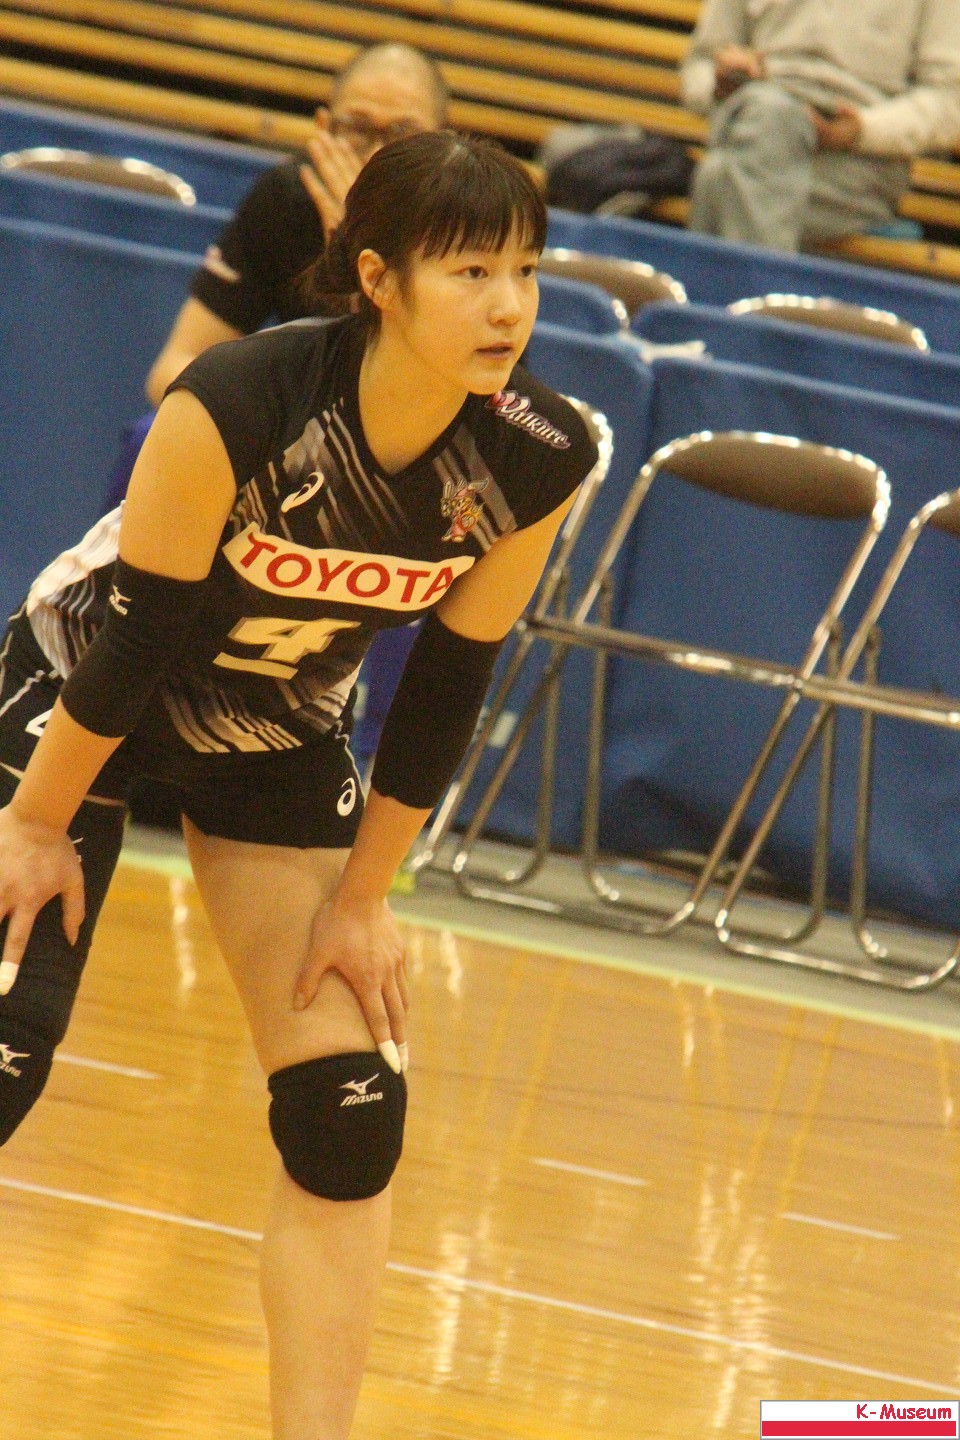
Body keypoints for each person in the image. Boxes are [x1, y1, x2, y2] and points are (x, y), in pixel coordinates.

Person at [0, 132, 598, 1439]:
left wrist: (362, 901)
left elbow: (445, 686)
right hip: (79, 700)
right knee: (5, 1052)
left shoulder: (538, 453)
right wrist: (35, 824)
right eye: (471, 272)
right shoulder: (241, 397)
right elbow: (136, 641)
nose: (509, 305)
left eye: (526, 271)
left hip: (272, 731)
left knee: (350, 1114)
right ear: (378, 278)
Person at [144, 42, 449, 407]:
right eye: (357, 129)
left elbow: (422, 401)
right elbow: (173, 369)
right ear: (324, 128)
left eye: (402, 136)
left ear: (442, 144)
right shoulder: (286, 198)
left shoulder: (468, 224)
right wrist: (273, 420)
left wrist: (361, 247)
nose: (374, 156)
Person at [680, 0, 960, 252]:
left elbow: (948, 100)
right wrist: (721, 84)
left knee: (718, 177)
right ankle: (764, 293)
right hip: (756, 115)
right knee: (767, 118)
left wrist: (862, 130)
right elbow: (700, 66)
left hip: (857, 162)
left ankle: (741, 291)